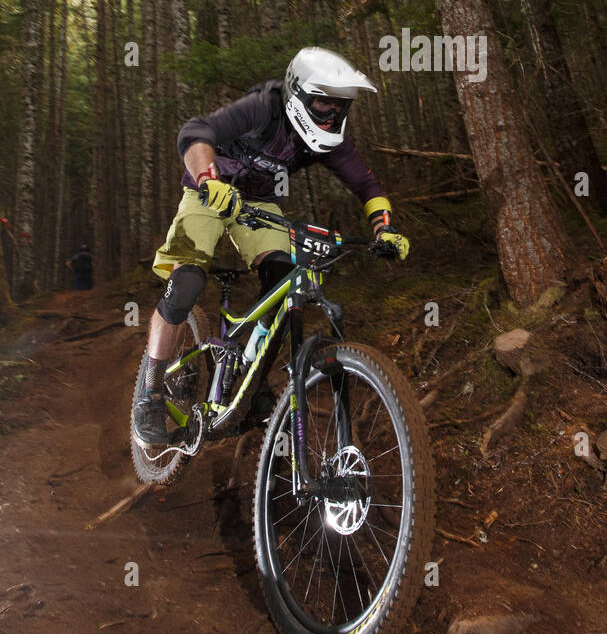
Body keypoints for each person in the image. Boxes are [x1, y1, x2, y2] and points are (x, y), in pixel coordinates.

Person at [133, 47, 409, 446]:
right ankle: (151, 392)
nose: (331, 113)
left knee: (285, 281)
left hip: (260, 204)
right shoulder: (264, 107)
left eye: (340, 105)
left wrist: (384, 229)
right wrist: (209, 178)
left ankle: (254, 380)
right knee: (188, 281)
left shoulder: (328, 139)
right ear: (298, 94)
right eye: (323, 102)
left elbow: (366, 185)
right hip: (208, 191)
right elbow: (196, 132)